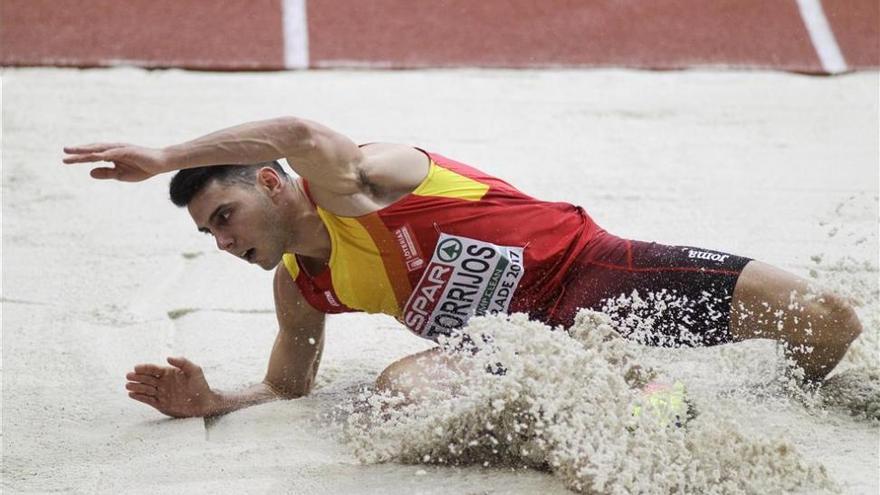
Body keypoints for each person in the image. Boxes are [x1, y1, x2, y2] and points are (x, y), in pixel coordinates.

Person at [63, 117, 863, 418]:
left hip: (594, 273)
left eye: (225, 218)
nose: (223, 242)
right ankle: (654, 403)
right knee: (401, 393)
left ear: (271, 184)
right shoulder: (300, 286)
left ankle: (705, 397)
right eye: (209, 236)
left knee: (831, 319)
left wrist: (166, 153)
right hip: (511, 342)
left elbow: (302, 128)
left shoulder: (362, 177)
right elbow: (288, 385)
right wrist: (213, 399)